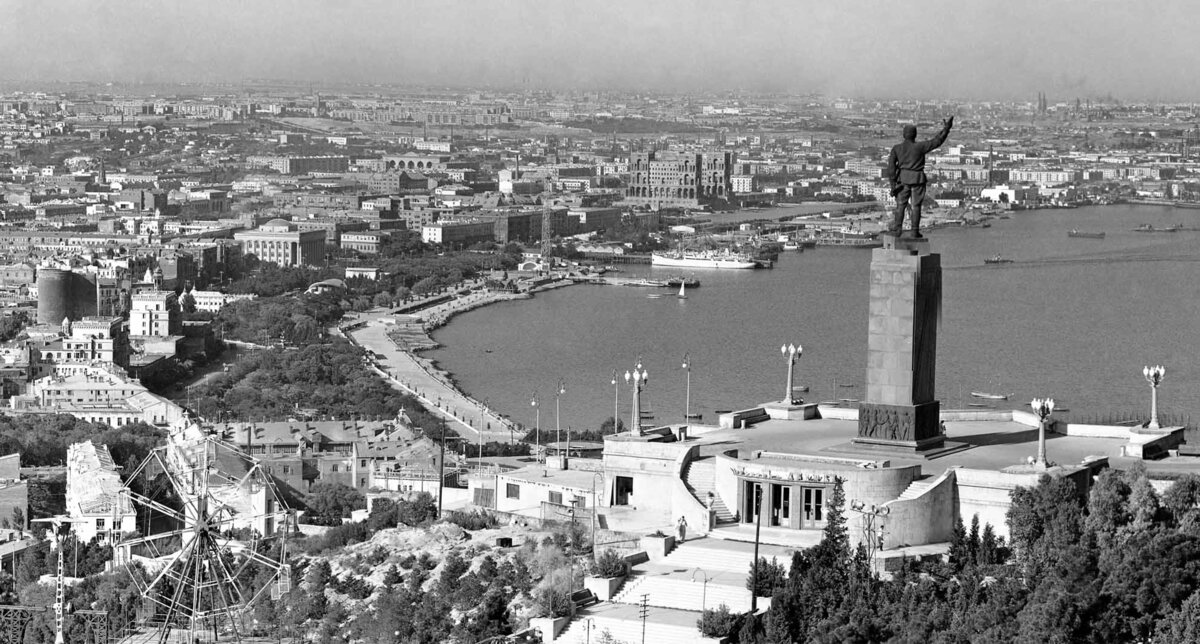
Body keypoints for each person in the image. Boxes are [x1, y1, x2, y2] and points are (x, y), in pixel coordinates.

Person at [887, 116, 954, 237]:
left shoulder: (896, 149)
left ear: (904, 134)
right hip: (917, 179)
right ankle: (914, 231)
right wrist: (946, 129)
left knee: (900, 206)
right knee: (916, 206)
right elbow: (936, 141)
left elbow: (891, 168)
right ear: (915, 135)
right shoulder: (920, 147)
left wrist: (893, 185)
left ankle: (897, 230)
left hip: (902, 180)